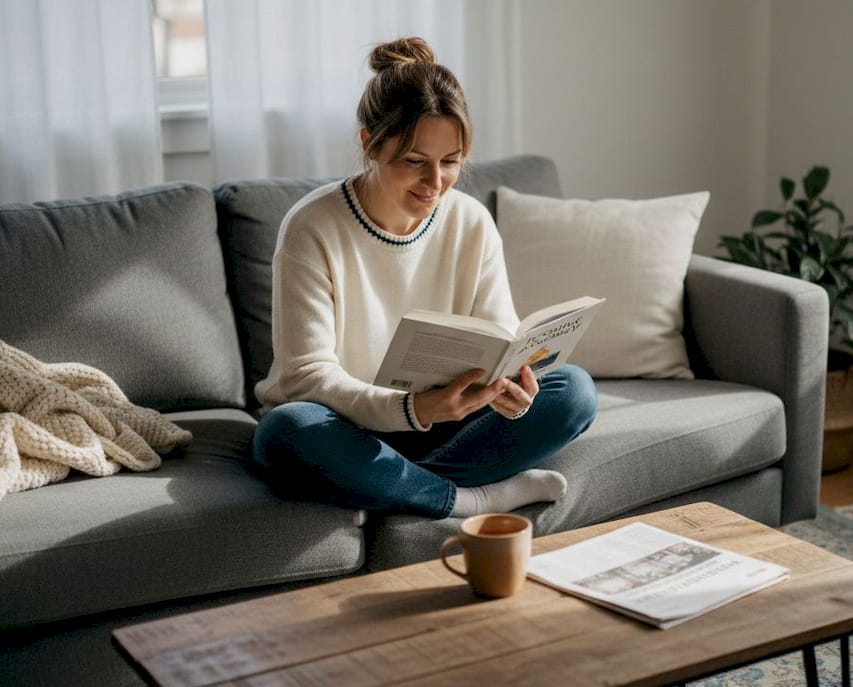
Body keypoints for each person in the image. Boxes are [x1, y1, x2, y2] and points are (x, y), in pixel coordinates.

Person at [251, 37, 598, 519]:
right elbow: (307, 376)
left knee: (573, 390)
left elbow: (502, 336)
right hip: (349, 426)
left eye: (450, 162)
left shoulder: (471, 221)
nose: (435, 182)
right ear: (369, 143)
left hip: (450, 422)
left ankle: (390, 486)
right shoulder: (312, 226)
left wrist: (512, 392)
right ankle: (468, 497)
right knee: (287, 431)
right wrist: (413, 410)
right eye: (415, 161)